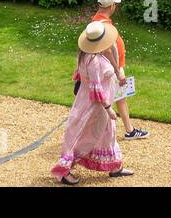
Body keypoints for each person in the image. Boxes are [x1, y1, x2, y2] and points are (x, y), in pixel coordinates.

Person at [51, 21, 134, 184]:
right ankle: (64, 170)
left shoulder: (90, 54)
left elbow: (109, 50)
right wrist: (109, 108)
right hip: (95, 106)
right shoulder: (93, 61)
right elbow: (97, 91)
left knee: (108, 132)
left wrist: (118, 72)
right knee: (84, 135)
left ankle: (115, 167)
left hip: (97, 104)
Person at [92, 0, 147, 139]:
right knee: (107, 100)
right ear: (111, 6)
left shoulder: (99, 22)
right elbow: (107, 49)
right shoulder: (101, 25)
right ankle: (102, 134)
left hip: (112, 67)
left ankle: (129, 130)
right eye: (114, 4)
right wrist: (118, 71)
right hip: (111, 69)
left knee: (120, 97)